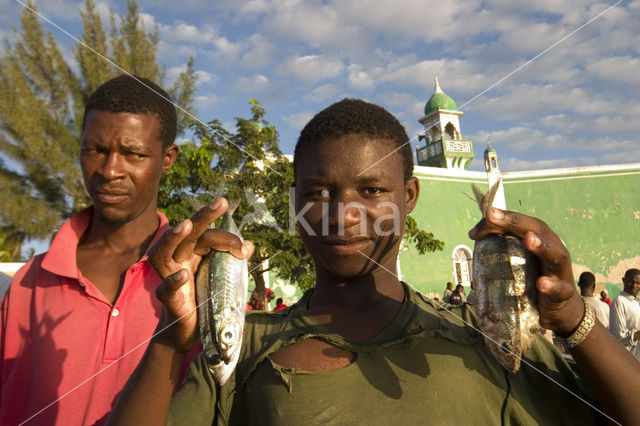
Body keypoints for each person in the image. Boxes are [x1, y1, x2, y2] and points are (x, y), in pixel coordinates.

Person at [109, 99, 640, 425]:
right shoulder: (238, 345)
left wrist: (574, 319)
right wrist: (168, 340)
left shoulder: (488, 339)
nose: (342, 214)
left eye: (371, 190)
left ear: (408, 196)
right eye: (318, 191)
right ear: (294, 202)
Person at [0, 75, 183, 425]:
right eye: (95, 150)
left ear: (168, 158)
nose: (109, 170)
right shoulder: (29, 283)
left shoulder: (192, 275)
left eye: (133, 154)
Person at [609, 268, 640, 360]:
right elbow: (618, 337)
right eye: (631, 282)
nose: (634, 286)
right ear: (623, 280)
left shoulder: (637, 303)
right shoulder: (619, 302)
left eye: (638, 283)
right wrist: (638, 334)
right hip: (629, 360)